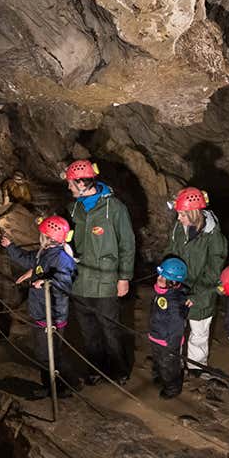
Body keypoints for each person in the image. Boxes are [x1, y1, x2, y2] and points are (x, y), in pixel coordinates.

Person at [64, 159, 136, 383]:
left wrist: (124, 277)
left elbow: (127, 243)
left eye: (71, 183)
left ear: (83, 183)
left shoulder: (114, 208)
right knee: (88, 330)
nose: (68, 188)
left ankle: (119, 371)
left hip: (105, 280)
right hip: (80, 281)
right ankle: (96, 369)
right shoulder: (72, 208)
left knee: (110, 329)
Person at [0, 216, 77, 397]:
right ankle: (52, 387)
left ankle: (63, 386)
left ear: (49, 237)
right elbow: (28, 260)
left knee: (50, 354)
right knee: (45, 353)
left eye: (42, 234)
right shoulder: (46, 252)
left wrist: (46, 281)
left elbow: (66, 281)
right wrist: (10, 246)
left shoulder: (62, 258)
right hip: (41, 310)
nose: (39, 236)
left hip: (52, 314)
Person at [163, 187, 226, 378]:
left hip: (202, 293)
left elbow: (214, 270)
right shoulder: (178, 228)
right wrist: (165, 274)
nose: (179, 218)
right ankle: (173, 364)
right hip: (177, 288)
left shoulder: (213, 237)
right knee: (174, 328)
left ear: (193, 213)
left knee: (198, 332)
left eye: (182, 214)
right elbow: (170, 251)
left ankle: (197, 369)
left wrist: (195, 293)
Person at [148, 257, 191, 399]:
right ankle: (160, 377)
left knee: (169, 368)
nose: (159, 278)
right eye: (160, 275)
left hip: (168, 343)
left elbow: (177, 327)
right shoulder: (161, 292)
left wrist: (172, 348)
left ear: (173, 282)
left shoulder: (174, 302)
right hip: (157, 336)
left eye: (163, 277)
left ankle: (172, 388)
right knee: (159, 362)